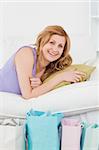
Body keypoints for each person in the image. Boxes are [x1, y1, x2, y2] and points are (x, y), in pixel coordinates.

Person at [0, 25, 85, 99]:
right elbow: (28, 95)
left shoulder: (50, 69)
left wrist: (40, 86)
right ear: (42, 43)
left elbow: (34, 91)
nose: (55, 49)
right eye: (52, 43)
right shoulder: (26, 53)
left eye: (60, 46)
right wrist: (60, 77)